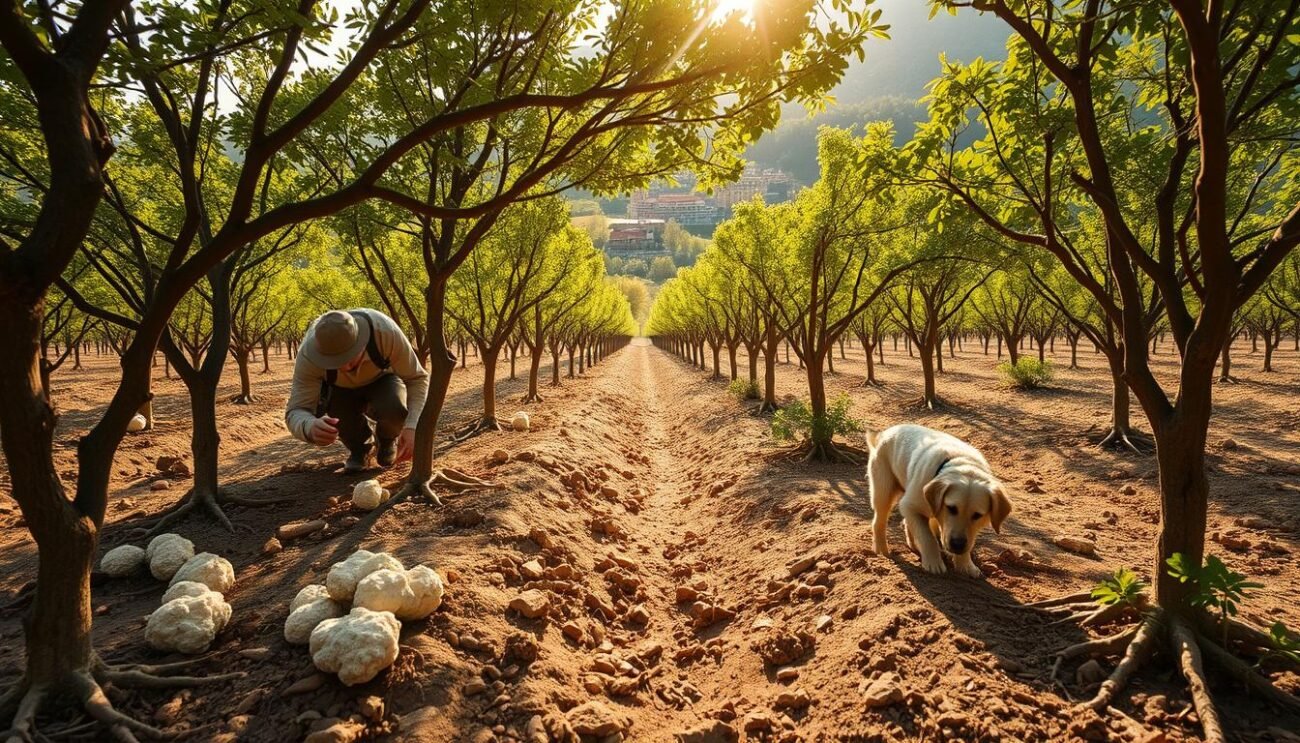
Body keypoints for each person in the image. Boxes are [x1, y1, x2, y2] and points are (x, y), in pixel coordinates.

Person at [285, 309, 429, 473]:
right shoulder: (308, 356)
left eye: (349, 356)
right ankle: (360, 449)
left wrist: (413, 426)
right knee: (339, 415)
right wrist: (309, 427)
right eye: (334, 361)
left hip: (382, 381)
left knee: (394, 407)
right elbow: (296, 410)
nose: (345, 367)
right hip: (339, 391)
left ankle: (387, 440)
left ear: (362, 341)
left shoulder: (385, 332)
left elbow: (417, 379)